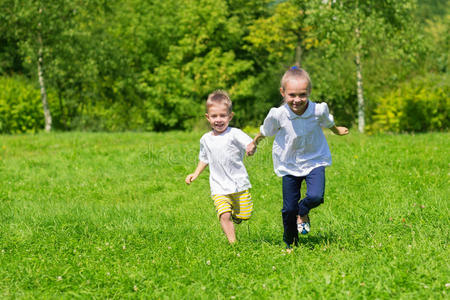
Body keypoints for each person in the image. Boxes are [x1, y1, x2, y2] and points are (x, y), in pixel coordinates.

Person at [246, 67, 349, 250]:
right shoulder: (278, 114)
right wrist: (254, 142)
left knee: (316, 196)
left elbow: (328, 122)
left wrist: (337, 130)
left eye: (302, 94)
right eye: (292, 95)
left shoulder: (318, 110)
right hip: (289, 162)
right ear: (283, 92)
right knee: (288, 209)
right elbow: (265, 130)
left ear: (309, 92)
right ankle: (290, 242)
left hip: (314, 159)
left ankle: (303, 211)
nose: (297, 100)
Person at [185, 90, 254, 244]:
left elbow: (250, 144)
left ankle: (237, 216)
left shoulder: (234, 133)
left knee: (245, 214)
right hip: (218, 185)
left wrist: (251, 148)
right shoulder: (206, 139)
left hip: (238, 183)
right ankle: (233, 243)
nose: (219, 120)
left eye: (223, 116)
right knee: (224, 215)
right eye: (214, 116)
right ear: (208, 117)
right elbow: (204, 158)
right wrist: (195, 174)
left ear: (230, 116)